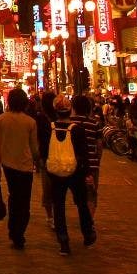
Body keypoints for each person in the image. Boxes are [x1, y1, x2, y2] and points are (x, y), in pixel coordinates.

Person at [47, 95, 96, 255]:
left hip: (55, 172)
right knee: (81, 203)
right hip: (76, 172)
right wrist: (88, 173)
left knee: (58, 206)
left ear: (55, 111)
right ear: (70, 111)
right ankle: (87, 234)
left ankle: (63, 242)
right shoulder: (77, 129)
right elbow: (84, 153)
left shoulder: (50, 128)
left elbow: (45, 150)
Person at [0, 87, 39, 250]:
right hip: (26, 165)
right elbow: (34, 148)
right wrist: (38, 162)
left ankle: (13, 231)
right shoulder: (30, 122)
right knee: (24, 200)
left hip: (8, 165)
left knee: (13, 196)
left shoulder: (1, 120)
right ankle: (19, 232)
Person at [32, 90, 57, 229]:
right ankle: (57, 215)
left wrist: (36, 157)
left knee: (47, 187)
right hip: (60, 155)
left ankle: (50, 216)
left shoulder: (40, 118)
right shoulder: (60, 116)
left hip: (45, 155)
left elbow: (37, 138)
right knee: (58, 187)